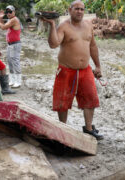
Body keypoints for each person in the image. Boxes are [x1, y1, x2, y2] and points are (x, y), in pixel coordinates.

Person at [41, 0, 103, 140]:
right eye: (76, 9)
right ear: (70, 10)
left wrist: (98, 66)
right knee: (62, 101)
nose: (79, 11)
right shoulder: (64, 26)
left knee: (90, 98)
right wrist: (51, 25)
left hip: (85, 69)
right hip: (66, 70)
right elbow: (53, 44)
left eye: (82, 9)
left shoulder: (88, 26)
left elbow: (92, 46)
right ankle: (63, 129)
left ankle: (88, 128)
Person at [0, 5, 22, 88]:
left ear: (14, 12)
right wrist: (0, 19)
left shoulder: (14, 20)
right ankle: (13, 80)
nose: (8, 13)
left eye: (10, 12)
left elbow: (3, 27)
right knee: (10, 62)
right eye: (7, 12)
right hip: (10, 44)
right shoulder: (10, 20)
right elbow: (4, 26)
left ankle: (18, 81)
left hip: (15, 44)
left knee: (15, 62)